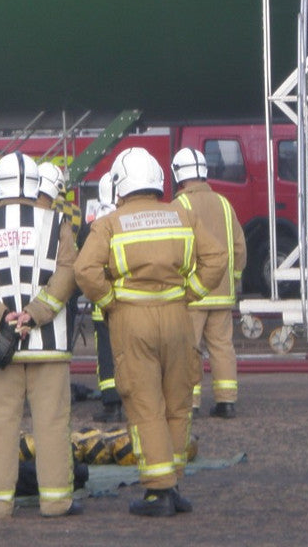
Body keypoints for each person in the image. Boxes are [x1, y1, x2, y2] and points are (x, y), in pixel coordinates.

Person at [75, 147, 227, 517]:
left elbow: (85, 270)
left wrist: (110, 299)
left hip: (132, 319)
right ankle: (173, 485)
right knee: (177, 403)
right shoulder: (182, 214)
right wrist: (190, 291)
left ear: (121, 184)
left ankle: (158, 491)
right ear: (158, 179)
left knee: (145, 406)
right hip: (177, 318)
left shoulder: (111, 222)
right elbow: (217, 257)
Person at [0, 152, 80, 519]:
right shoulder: (57, 222)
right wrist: (35, 314)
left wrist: (0, 316)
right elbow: (68, 272)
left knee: (0, 423)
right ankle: (56, 502)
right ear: (35, 185)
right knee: (53, 423)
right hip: (48, 346)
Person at [171, 147, 247, 418]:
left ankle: (189, 404)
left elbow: (174, 250)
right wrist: (234, 279)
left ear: (178, 175)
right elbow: (239, 248)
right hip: (223, 293)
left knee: (188, 349)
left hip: (192, 293)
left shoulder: (180, 206)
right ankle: (226, 402)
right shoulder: (225, 204)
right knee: (222, 347)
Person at [76, 171, 123, 422]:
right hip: (129, 301)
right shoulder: (127, 219)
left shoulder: (94, 223)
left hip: (102, 303)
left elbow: (84, 261)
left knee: (106, 353)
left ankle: (111, 404)